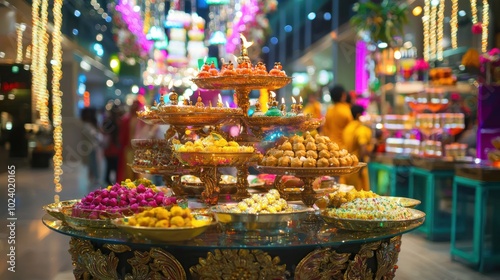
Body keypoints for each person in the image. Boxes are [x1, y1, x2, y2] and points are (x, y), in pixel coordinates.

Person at [341, 105, 372, 191]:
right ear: (359, 115)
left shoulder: (347, 128)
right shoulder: (361, 129)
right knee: (359, 196)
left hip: (346, 166)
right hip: (357, 167)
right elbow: (363, 147)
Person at [117, 100, 144, 182]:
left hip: (138, 149)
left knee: (139, 171)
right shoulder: (126, 119)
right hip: (129, 149)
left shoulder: (142, 120)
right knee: (128, 170)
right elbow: (122, 135)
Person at [80, 108, 104, 187]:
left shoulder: (87, 124)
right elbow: (94, 135)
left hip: (92, 147)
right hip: (91, 147)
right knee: (93, 163)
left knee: (93, 163)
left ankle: (94, 177)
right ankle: (96, 178)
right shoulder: (87, 125)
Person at [102, 105, 121, 185]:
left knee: (109, 165)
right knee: (115, 166)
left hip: (109, 147)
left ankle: (108, 180)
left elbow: (104, 131)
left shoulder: (108, 120)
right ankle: (114, 181)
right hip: (115, 146)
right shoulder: (118, 121)